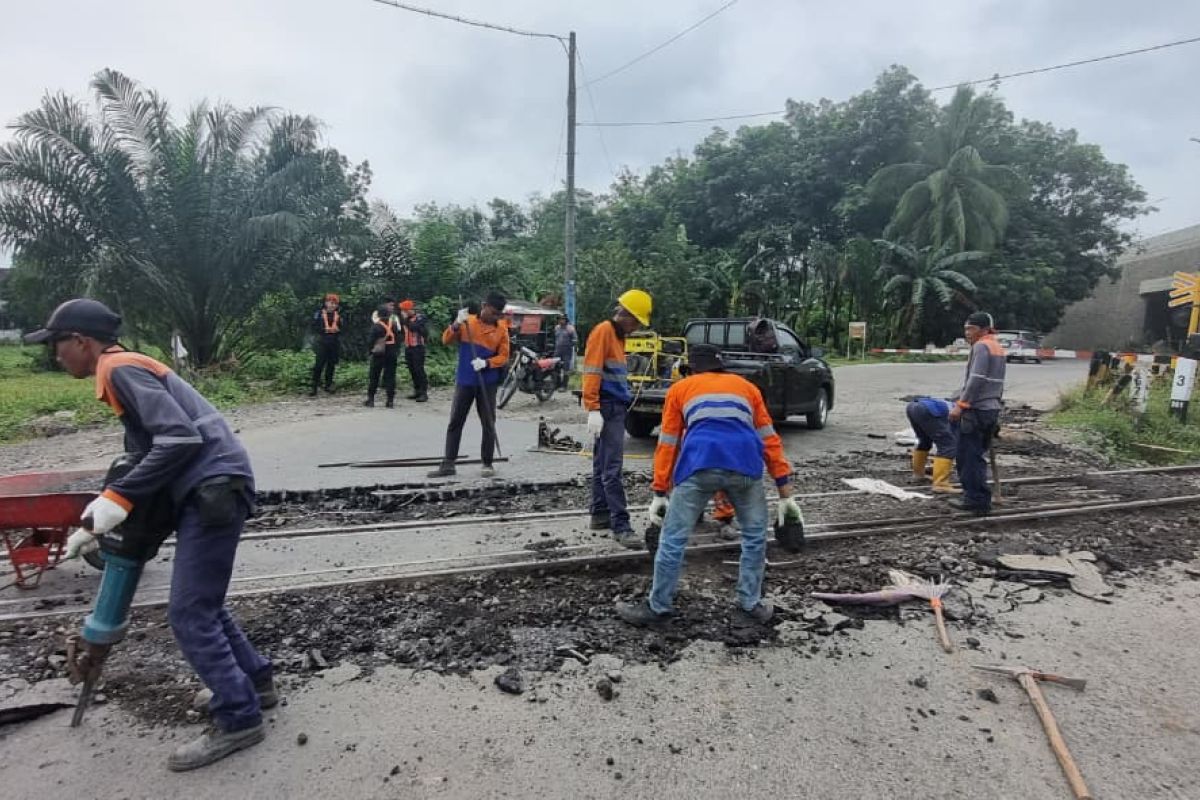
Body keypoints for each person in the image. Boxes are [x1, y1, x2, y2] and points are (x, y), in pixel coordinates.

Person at [25, 299, 273, 771]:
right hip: (211, 487)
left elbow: (179, 439)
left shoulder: (117, 368)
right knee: (203, 605)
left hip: (212, 489)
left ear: (81, 341)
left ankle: (239, 717)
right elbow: (147, 459)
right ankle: (254, 683)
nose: (56, 357)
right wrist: (99, 522)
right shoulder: (125, 369)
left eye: (57, 346)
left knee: (188, 613)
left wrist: (116, 499)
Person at [616, 344, 802, 626]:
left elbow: (668, 443)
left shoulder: (681, 389)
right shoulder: (746, 388)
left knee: (673, 539)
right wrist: (784, 491)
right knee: (754, 537)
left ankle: (658, 609)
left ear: (690, 370)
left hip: (699, 467)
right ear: (721, 367)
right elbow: (769, 439)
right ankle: (749, 605)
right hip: (745, 468)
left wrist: (659, 491)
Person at [581, 289, 652, 549]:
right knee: (612, 469)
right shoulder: (604, 332)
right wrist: (593, 408)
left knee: (602, 465)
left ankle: (599, 514)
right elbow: (591, 370)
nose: (635, 329)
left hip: (612, 407)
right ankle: (621, 525)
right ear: (627, 315)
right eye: (636, 322)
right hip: (607, 408)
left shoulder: (617, 336)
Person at [427, 291, 510, 479]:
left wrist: (487, 363)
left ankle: (487, 463)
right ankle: (448, 463)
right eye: (494, 312)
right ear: (484, 306)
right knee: (456, 421)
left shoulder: (501, 330)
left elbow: (504, 357)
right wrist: (456, 324)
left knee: (488, 422)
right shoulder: (467, 323)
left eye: (499, 314)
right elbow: (445, 340)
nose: (496, 317)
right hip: (465, 380)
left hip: (487, 382)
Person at [948, 311, 1006, 514]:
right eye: (965, 329)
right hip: (990, 410)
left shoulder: (982, 346)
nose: (967, 333)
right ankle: (978, 497)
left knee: (968, 457)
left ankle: (976, 500)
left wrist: (960, 405)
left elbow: (976, 379)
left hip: (977, 411)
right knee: (976, 455)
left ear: (982, 329)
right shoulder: (996, 346)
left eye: (970, 328)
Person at [905, 396, 960, 494]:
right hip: (929, 410)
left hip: (913, 406)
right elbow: (955, 435)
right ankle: (941, 484)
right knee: (948, 446)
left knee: (924, 440)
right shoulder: (965, 415)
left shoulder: (955, 404)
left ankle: (918, 475)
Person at [365, 303, 399, 408]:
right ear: (389, 314)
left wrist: (370, 351)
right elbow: (398, 338)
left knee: (374, 376)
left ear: (379, 314)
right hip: (392, 352)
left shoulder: (376, 326)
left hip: (379, 354)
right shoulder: (393, 324)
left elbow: (370, 341)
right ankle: (390, 401)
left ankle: (371, 400)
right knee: (390, 376)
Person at [309, 293, 341, 396]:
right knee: (319, 365)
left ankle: (328, 384)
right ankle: (314, 386)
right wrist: (323, 329)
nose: (332, 305)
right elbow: (313, 327)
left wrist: (338, 330)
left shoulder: (338, 315)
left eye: (334, 303)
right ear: (326, 303)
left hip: (334, 342)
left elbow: (343, 328)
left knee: (331, 365)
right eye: (330, 303)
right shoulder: (319, 314)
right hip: (322, 342)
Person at [398, 299, 429, 403]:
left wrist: (406, 320)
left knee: (419, 369)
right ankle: (417, 391)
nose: (403, 312)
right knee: (412, 370)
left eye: (405, 310)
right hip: (408, 347)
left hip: (418, 347)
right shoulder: (404, 319)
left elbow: (413, 328)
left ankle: (424, 393)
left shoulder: (420, 317)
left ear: (410, 309)